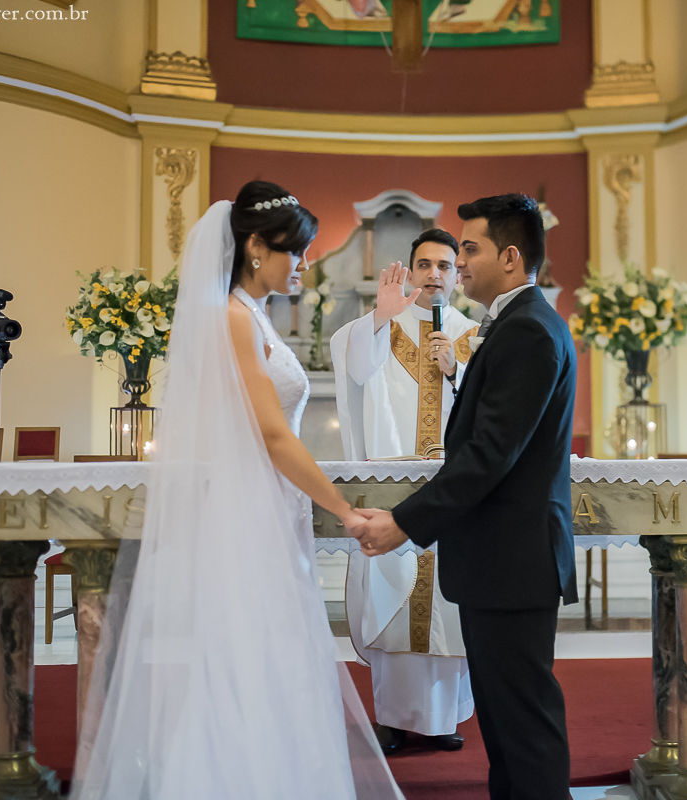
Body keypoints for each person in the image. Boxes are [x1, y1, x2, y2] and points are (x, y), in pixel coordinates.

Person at [69, 181, 402, 800]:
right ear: (255, 247)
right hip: (242, 516)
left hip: (272, 510)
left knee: (269, 656)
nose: (302, 263)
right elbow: (273, 437)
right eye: (293, 251)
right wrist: (344, 510)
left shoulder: (255, 316)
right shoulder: (227, 318)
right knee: (240, 654)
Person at [354, 193, 578, 800]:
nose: (460, 263)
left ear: (509, 256)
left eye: (470, 249)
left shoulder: (527, 329)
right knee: (506, 724)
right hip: (501, 560)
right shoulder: (512, 323)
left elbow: (486, 457)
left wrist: (402, 523)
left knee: (523, 723)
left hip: (514, 559)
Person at [331, 230, 478, 754]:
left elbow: (492, 407)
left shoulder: (474, 333)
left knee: (448, 604)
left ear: (458, 273)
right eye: (424, 264)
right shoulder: (382, 325)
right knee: (393, 595)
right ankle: (392, 717)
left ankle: (444, 719)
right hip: (392, 487)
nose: (434, 274)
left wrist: (456, 368)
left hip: (454, 489)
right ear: (410, 270)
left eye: (444, 264)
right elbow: (352, 365)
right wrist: (378, 315)